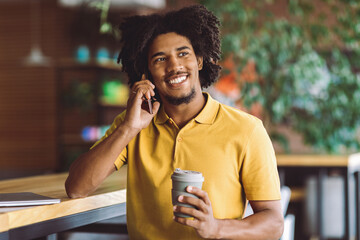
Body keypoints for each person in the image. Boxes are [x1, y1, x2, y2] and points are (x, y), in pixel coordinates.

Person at [65, 4, 284, 240]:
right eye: (160, 59)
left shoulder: (246, 130)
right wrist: (129, 128)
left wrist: (216, 228)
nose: (174, 66)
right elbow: (77, 189)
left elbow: (273, 224)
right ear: (146, 73)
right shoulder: (133, 124)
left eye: (183, 54)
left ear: (199, 61)